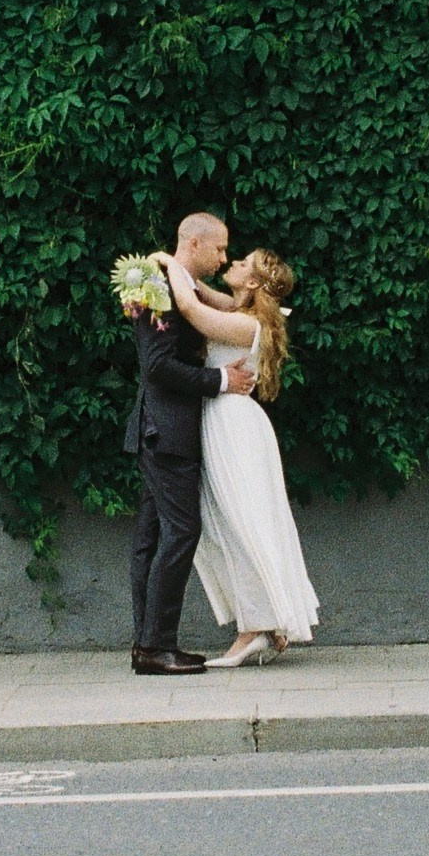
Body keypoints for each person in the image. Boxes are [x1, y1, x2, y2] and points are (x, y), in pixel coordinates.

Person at [161, 244, 319, 665]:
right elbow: (198, 290)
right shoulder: (239, 309)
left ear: (253, 282)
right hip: (225, 422)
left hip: (235, 426)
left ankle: (256, 628)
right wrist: (180, 266)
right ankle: (264, 622)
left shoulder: (248, 325)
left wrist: (166, 260)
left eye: (242, 262)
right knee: (231, 522)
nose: (232, 263)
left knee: (243, 522)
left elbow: (191, 309)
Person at [122, 210, 252, 675]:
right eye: (218, 248)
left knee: (152, 537)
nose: (224, 257)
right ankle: (155, 646)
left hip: (161, 428)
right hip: (166, 431)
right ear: (193, 244)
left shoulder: (176, 283)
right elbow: (156, 366)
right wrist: (220, 380)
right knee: (181, 533)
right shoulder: (156, 283)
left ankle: (147, 645)